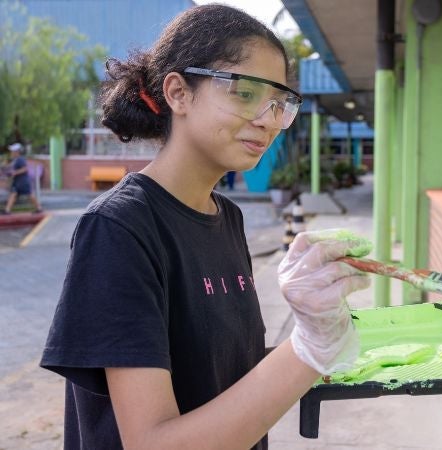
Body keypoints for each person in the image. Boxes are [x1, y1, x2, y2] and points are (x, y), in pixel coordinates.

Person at [40, 4, 370, 450]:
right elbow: (153, 442)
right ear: (178, 92)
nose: (268, 120)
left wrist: (328, 335)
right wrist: (308, 348)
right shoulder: (118, 228)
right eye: (245, 92)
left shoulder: (227, 217)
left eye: (280, 103)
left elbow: (221, 373)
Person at [1, 143, 43, 214]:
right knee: (13, 194)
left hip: (23, 181)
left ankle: (39, 208)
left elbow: (25, 169)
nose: (11, 153)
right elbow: (11, 169)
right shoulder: (15, 160)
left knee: (29, 195)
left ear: (17, 152)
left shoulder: (20, 159)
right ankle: (7, 210)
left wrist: (15, 172)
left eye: (12, 151)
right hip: (17, 182)